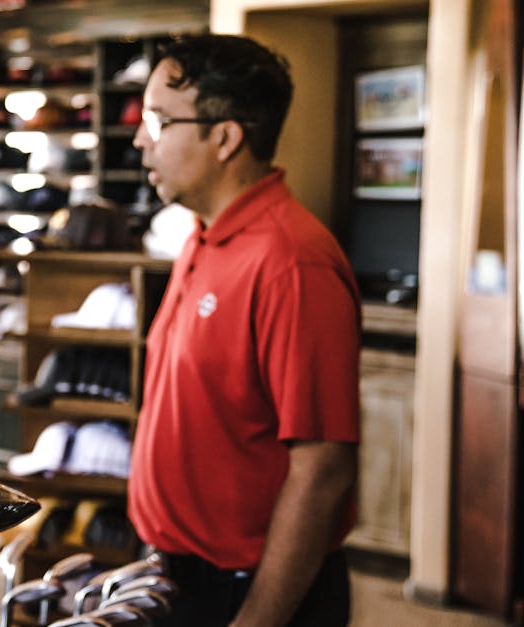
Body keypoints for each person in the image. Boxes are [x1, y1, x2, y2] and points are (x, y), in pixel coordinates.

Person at [127, 34, 360, 626]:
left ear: (226, 137)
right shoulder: (202, 235)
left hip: (246, 592)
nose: (139, 138)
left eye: (157, 120)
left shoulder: (292, 261)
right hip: (174, 571)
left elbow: (322, 471)